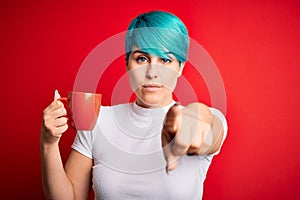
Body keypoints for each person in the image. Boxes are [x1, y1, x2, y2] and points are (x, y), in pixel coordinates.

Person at [41, 10, 228, 200]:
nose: (152, 72)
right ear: (127, 64)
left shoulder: (197, 121)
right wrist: (48, 143)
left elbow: (208, 124)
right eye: (142, 58)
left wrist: (197, 119)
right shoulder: (98, 120)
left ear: (180, 68)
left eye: (165, 60)